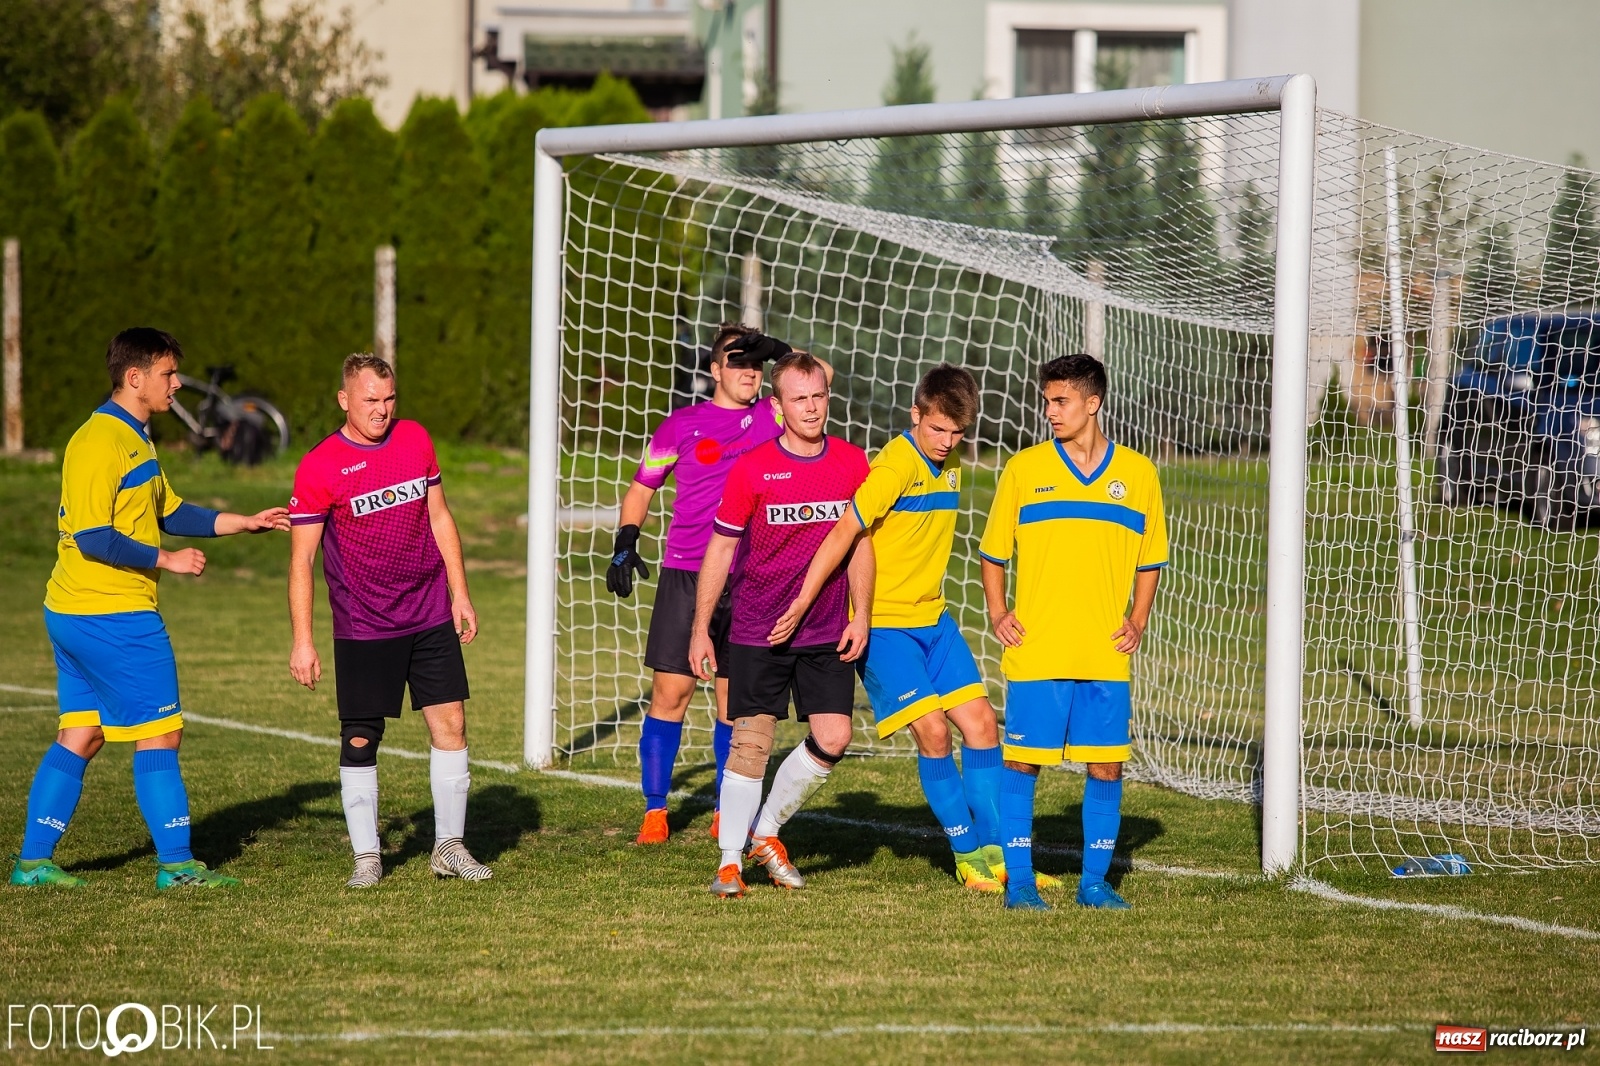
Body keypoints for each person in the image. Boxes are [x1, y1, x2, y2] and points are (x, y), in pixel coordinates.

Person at [767, 365, 1064, 896]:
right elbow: (844, 531)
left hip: (935, 620)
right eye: (938, 430)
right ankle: (967, 856)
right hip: (886, 627)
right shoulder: (896, 464)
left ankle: (1001, 857)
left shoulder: (946, 464)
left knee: (982, 726)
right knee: (933, 731)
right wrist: (811, 598)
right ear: (916, 416)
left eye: (957, 434)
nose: (947, 443)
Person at [12, 327, 289, 890]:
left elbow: (168, 508)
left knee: (82, 734)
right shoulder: (98, 442)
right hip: (110, 614)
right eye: (167, 374)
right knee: (161, 734)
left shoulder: (135, 437)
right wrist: (167, 561)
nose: (176, 384)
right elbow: (93, 535)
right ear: (133, 377)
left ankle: (34, 862)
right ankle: (178, 866)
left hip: (76, 612)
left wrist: (240, 522)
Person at [288, 353, 490, 888]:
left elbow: (440, 516)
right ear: (344, 400)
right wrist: (303, 642)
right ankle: (367, 858)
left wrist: (460, 593)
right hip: (364, 622)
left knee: (451, 724)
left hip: (427, 612)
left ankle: (449, 846)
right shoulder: (319, 465)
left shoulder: (415, 440)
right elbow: (300, 562)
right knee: (360, 737)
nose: (382, 410)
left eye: (389, 398)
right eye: (370, 400)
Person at [978, 353, 1167, 911]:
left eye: (1060, 401)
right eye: (1046, 400)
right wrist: (997, 611)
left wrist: (1137, 620)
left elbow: (1149, 559)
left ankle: (1093, 883)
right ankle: (1019, 883)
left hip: (1104, 652)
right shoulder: (1024, 469)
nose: (1049, 411)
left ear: (1093, 403)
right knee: (1022, 762)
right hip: (1038, 648)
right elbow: (993, 553)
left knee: (1106, 763)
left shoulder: (1137, 475)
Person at [688, 350, 873, 898]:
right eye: (799, 399)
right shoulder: (751, 468)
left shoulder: (851, 462)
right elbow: (720, 550)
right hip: (757, 628)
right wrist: (701, 628)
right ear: (778, 406)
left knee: (835, 735)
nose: (812, 408)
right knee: (751, 745)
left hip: (824, 630)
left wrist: (861, 613)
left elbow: (861, 544)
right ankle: (728, 863)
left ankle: (765, 832)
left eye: (818, 396)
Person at [607, 324, 782, 845]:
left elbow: (815, 379)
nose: (748, 371)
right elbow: (642, 487)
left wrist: (780, 353)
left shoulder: (776, 416)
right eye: (737, 361)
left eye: (757, 363)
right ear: (714, 370)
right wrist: (625, 540)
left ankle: (727, 810)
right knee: (671, 693)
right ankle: (656, 811)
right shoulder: (681, 425)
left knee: (736, 705)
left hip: (751, 577)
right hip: (687, 573)